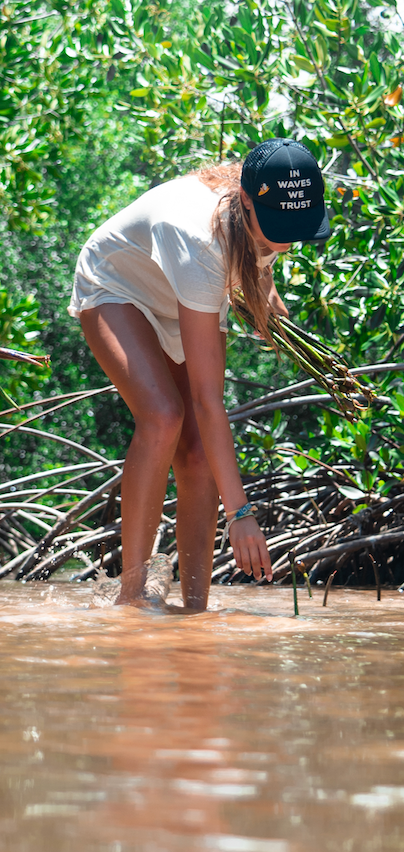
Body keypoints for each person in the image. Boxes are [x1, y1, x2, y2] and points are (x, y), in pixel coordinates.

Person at [69, 138, 332, 609]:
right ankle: (132, 599)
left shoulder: (263, 215)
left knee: (194, 453)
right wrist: (241, 512)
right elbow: (210, 401)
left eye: (297, 229)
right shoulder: (198, 237)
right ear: (247, 201)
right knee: (165, 415)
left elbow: (260, 264)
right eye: (279, 229)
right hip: (119, 284)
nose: (288, 241)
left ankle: (194, 610)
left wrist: (269, 301)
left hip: (182, 294)